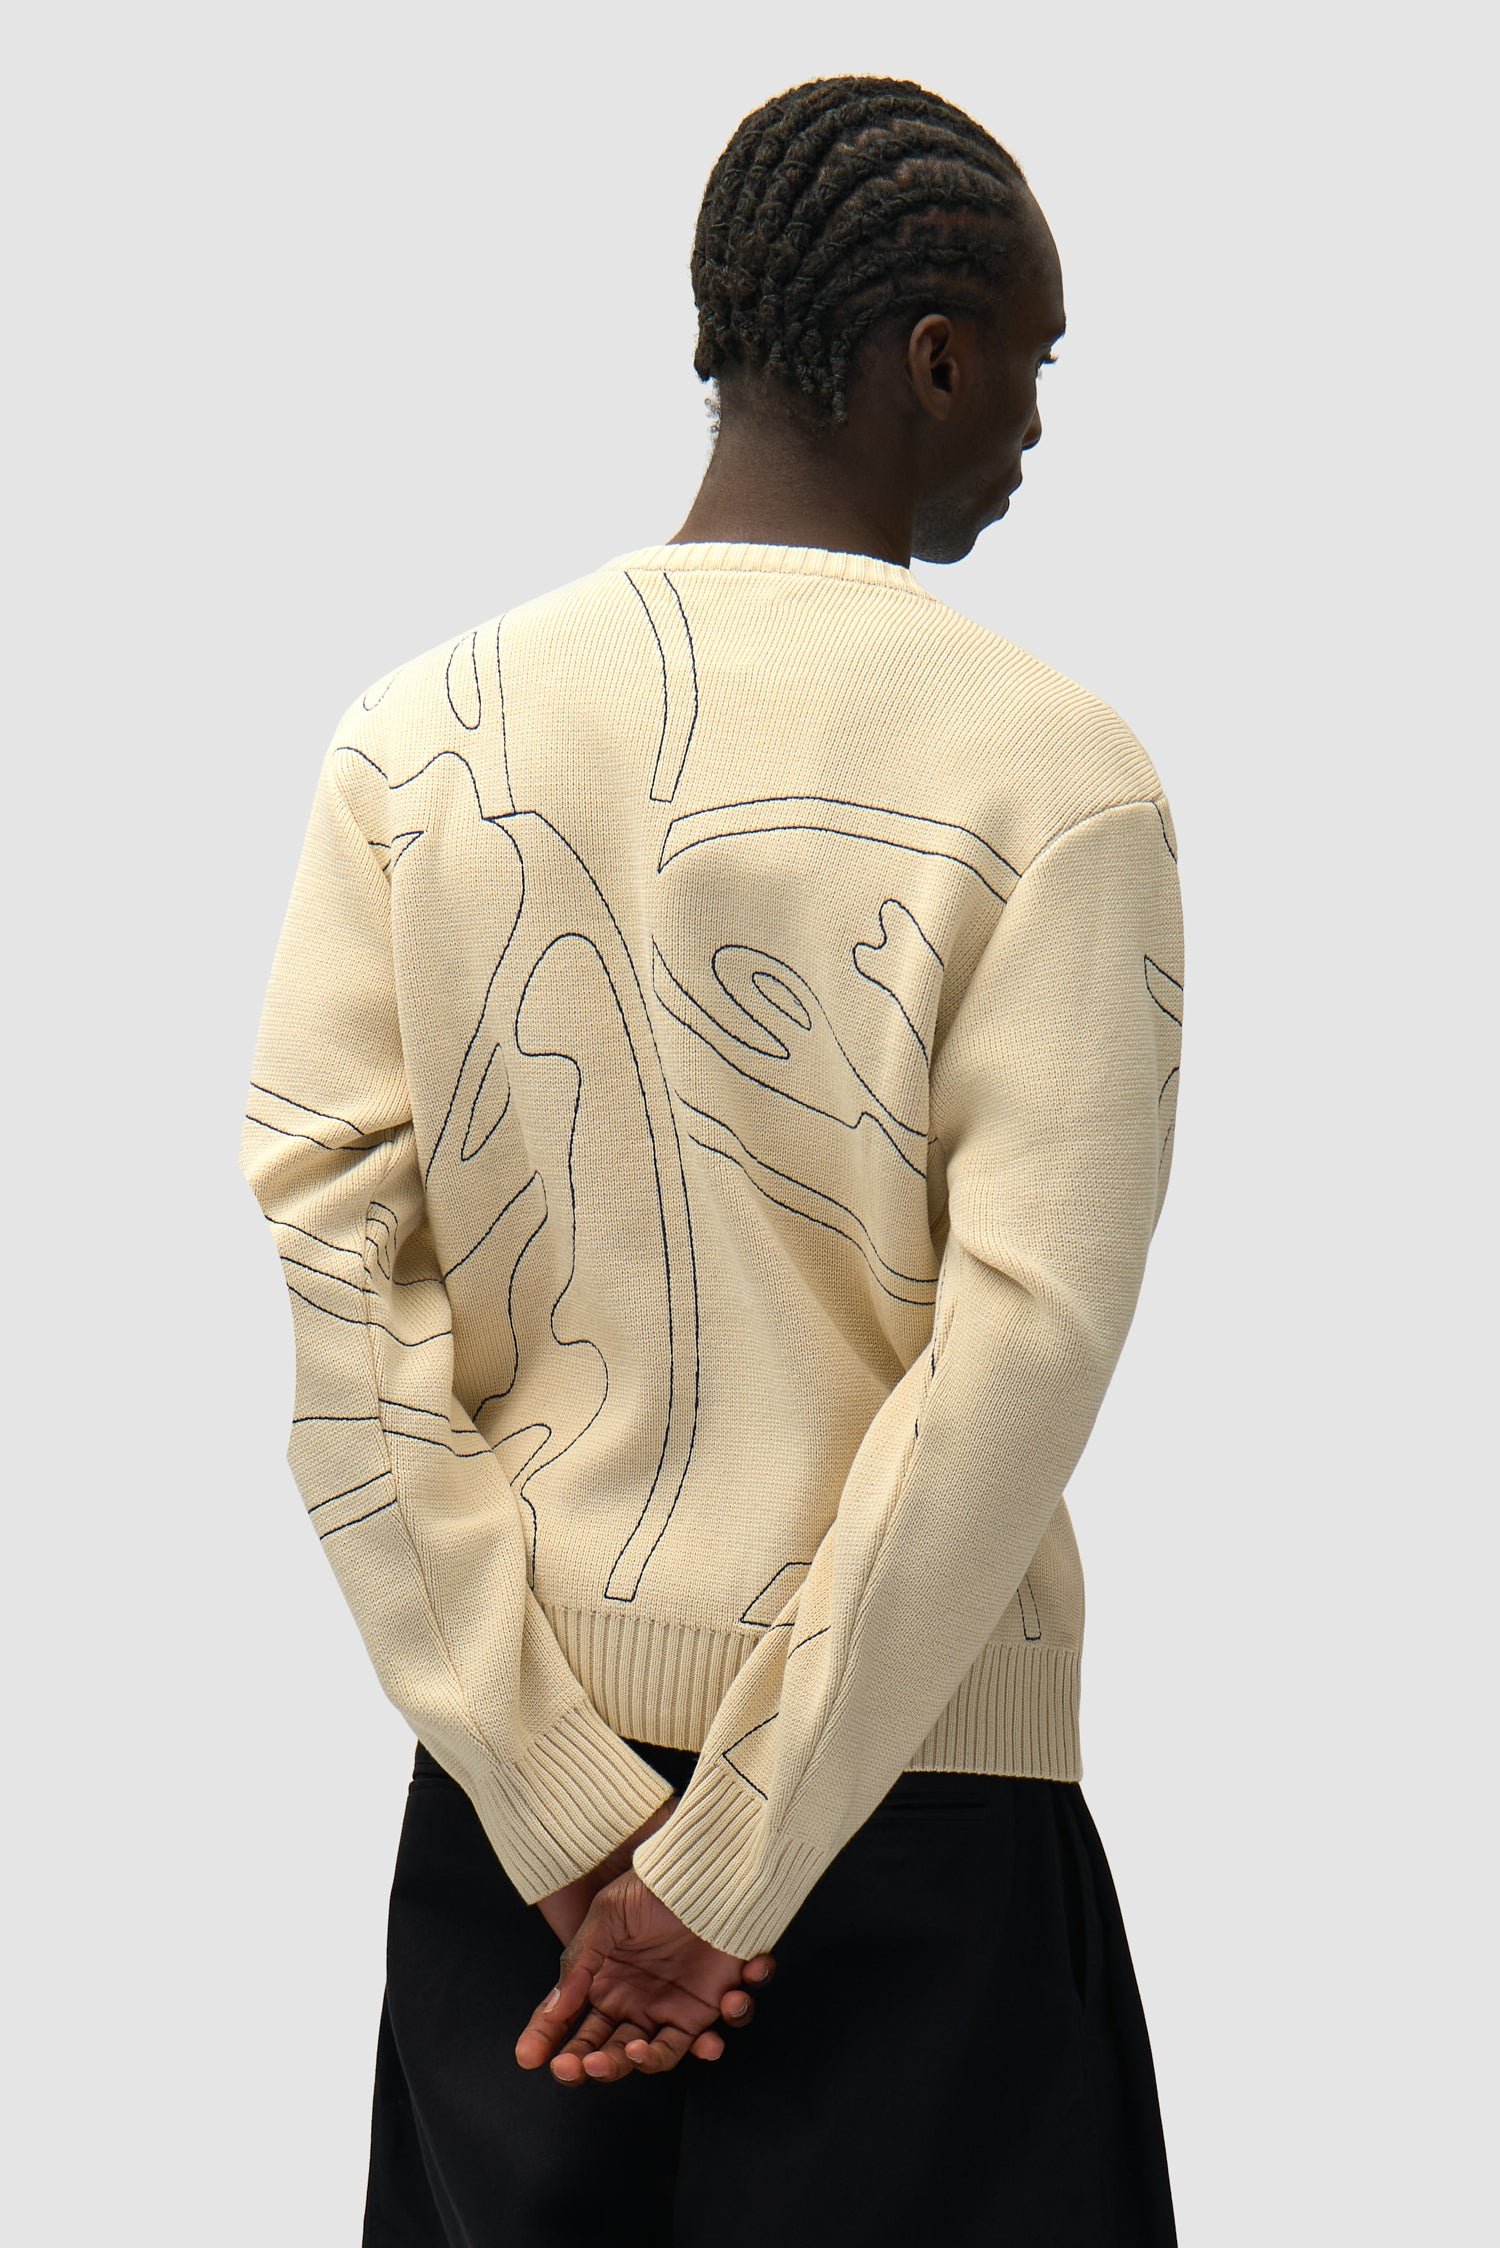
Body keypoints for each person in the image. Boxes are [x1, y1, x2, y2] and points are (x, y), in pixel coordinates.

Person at [239, 71, 1184, 2248]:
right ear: (932, 354)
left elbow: (338, 1286)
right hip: (920, 1830)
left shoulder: (416, 743)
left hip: (519, 1873)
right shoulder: (1059, 784)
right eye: (1031, 360)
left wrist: (565, 1805)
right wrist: (738, 1852)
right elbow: (1021, 1350)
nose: (1035, 422)